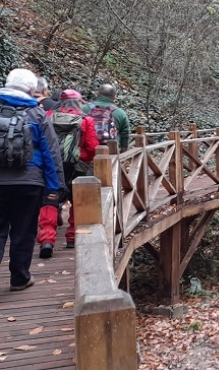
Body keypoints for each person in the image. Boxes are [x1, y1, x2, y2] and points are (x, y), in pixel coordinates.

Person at [0, 68, 63, 291]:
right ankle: (19, 278)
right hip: (29, 181)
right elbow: (51, 153)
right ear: (31, 89)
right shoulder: (37, 115)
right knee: (23, 231)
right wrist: (55, 188)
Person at [37, 89, 99, 258]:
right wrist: (83, 159)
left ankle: (47, 239)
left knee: (49, 202)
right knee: (77, 203)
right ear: (79, 102)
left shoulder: (47, 115)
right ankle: (72, 237)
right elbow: (93, 147)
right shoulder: (86, 120)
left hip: (52, 168)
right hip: (78, 168)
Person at [82, 84, 131, 152]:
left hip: (86, 154)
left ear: (97, 94)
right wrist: (123, 152)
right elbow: (125, 135)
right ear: (114, 97)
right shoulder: (120, 113)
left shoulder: (84, 109)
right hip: (110, 155)